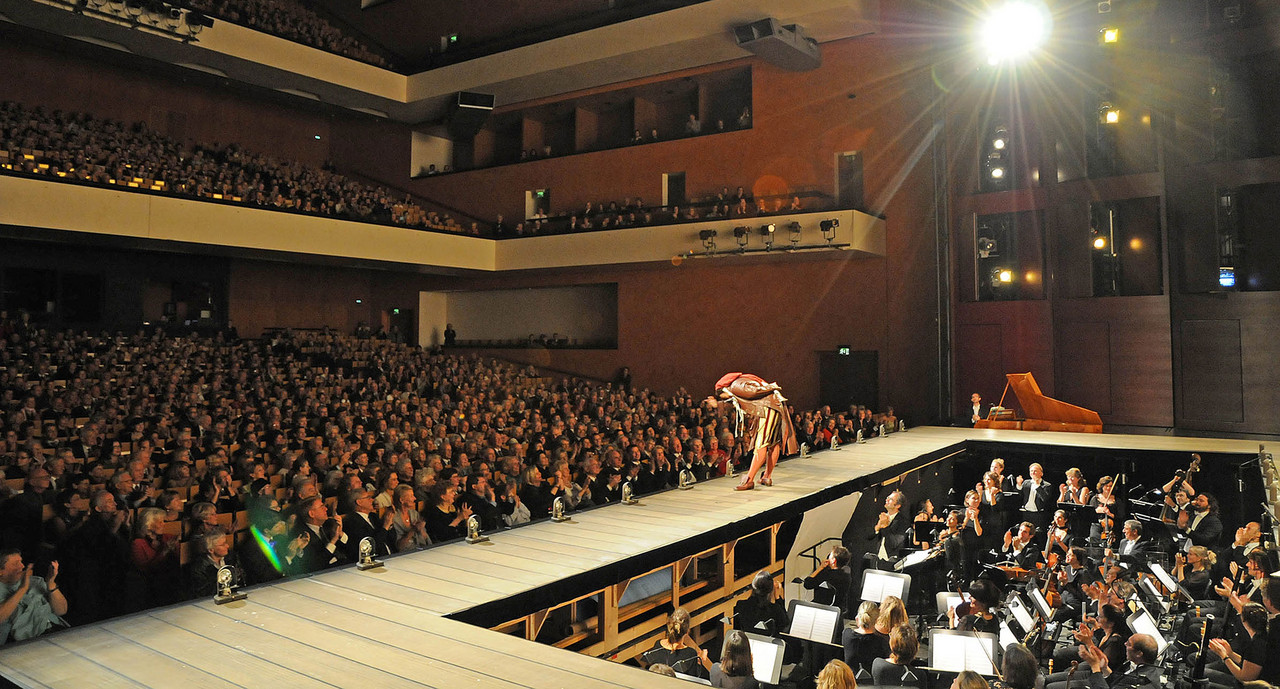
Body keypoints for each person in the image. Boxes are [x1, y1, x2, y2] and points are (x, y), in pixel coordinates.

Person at [705, 373, 798, 491]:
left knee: (761, 444)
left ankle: (749, 480)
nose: (723, 397)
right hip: (773, 406)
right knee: (774, 443)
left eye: (721, 395)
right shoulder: (743, 381)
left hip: (768, 408)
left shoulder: (736, 386)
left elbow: (753, 392)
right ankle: (767, 476)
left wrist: (772, 387)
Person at [0, 549, 67, 644]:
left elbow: (62, 611)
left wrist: (50, 583)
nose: (22, 566)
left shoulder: (36, 581)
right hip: (31, 641)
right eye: (15, 563)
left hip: (59, 630)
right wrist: (23, 589)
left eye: (21, 562)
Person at [643, 608, 711, 679]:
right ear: (688, 631)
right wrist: (700, 661)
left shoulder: (658, 644)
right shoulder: (690, 653)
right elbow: (693, 680)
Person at [1078, 633, 1161, 689]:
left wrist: (1095, 666)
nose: (1125, 644)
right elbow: (1117, 682)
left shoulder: (1139, 680)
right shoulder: (1143, 666)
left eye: (1129, 644)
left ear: (1139, 653)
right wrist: (1104, 667)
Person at [804, 545, 853, 616]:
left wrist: (820, 567)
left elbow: (807, 584)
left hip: (823, 609)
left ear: (834, 560)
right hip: (838, 609)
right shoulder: (846, 573)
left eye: (830, 555)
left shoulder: (826, 574)